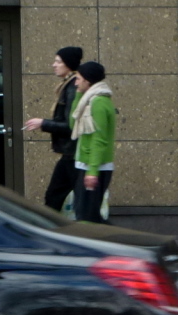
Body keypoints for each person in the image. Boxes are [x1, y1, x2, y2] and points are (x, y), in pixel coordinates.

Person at [23, 46, 83, 211]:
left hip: (73, 153)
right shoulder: (68, 86)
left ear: (68, 64)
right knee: (55, 196)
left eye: (58, 61)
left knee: (58, 197)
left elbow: (71, 126)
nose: (53, 65)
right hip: (70, 153)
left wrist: (43, 123)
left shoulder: (72, 88)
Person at [69, 61, 115, 223]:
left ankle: (122, 244)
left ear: (88, 81)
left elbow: (99, 138)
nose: (76, 82)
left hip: (95, 167)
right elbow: (73, 124)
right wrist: (79, 95)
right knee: (85, 213)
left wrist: (93, 171)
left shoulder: (99, 102)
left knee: (87, 216)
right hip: (86, 164)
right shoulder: (88, 100)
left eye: (79, 79)